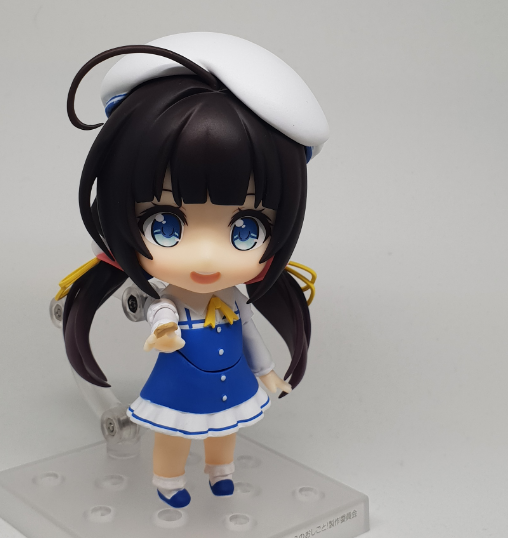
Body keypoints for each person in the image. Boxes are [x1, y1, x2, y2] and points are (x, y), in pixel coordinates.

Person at [60, 32, 328, 507]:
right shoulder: (170, 304)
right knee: (175, 436)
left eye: (245, 230)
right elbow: (160, 318)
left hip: (233, 385)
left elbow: (251, 337)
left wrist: (267, 373)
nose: (205, 257)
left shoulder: (235, 301)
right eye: (165, 226)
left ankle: (220, 472)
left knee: (226, 433)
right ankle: (169, 482)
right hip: (178, 390)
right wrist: (163, 334)